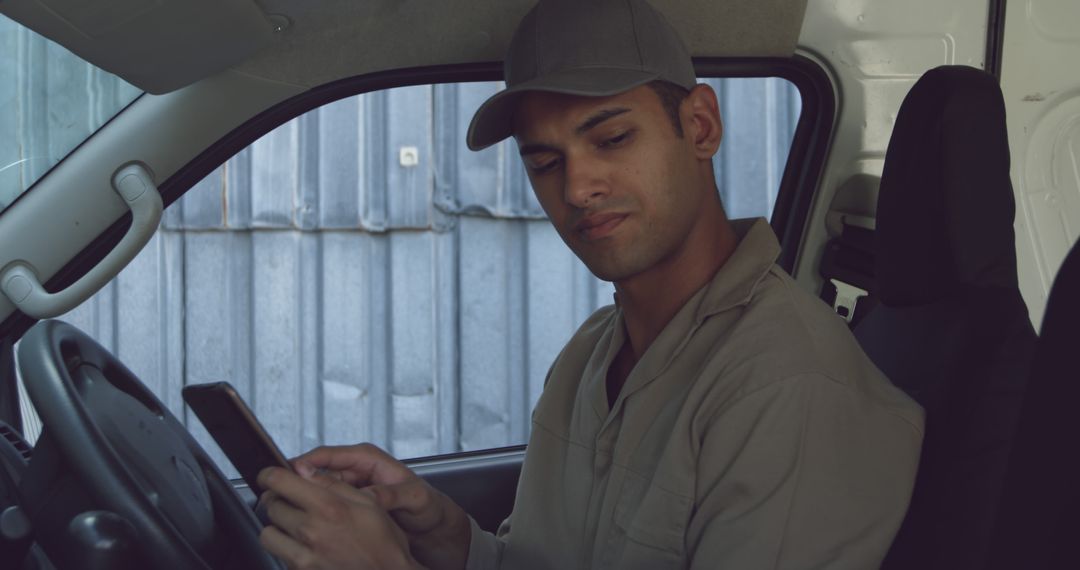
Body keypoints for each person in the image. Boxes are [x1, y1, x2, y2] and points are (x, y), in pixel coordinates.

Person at [256, 1, 924, 568]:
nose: (576, 188)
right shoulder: (591, 354)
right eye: (545, 162)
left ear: (700, 127)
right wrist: (446, 534)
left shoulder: (788, 388)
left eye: (610, 139)